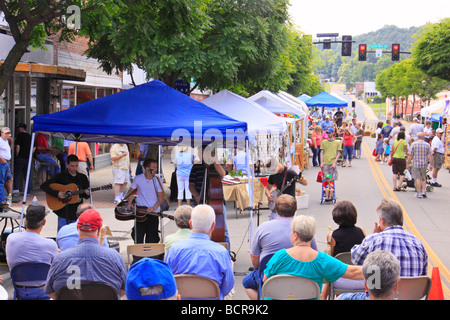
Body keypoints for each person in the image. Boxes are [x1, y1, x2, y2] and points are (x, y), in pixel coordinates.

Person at [262, 215, 363, 299]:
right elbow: (353, 272)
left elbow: (265, 280)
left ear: (295, 235)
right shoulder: (322, 260)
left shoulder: (280, 256)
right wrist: (377, 269)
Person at [242, 194, 318, 300]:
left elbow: (255, 260)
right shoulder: (303, 228)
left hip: (270, 277)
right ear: (295, 209)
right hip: (300, 274)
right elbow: (314, 254)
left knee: (246, 283)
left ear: (276, 210)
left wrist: (259, 268)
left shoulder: (263, 228)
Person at [44, 209, 127, 299]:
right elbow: (123, 290)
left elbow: (50, 292)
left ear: (77, 228)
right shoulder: (115, 257)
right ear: (99, 230)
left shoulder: (60, 259)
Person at [165, 204, 235, 300]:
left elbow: (167, 280)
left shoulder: (174, 249)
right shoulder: (221, 252)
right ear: (213, 226)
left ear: (190, 224)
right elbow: (227, 288)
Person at [351, 198, 428, 277]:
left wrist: (372, 235)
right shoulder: (418, 244)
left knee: (372, 277)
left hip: (380, 289)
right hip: (411, 289)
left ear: (382, 220)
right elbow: (423, 275)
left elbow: (356, 259)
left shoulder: (374, 240)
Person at [5, 203, 58, 300]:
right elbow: (56, 268)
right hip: (43, 292)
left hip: (20, 292)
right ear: (44, 222)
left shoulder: (11, 238)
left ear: (26, 220)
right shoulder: (50, 244)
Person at [321, 200, 366, 300]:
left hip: (341, 280)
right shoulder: (361, 232)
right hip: (361, 278)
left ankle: (324, 296)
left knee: (332, 268)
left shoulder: (332, 236)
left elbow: (331, 259)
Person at [189, 144, 231, 246]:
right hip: (200, 201)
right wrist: (196, 195)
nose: (201, 155)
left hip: (217, 201)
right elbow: (191, 185)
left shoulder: (216, 164)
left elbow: (222, 174)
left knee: (223, 230)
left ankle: (227, 253)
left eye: (203, 153)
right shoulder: (196, 167)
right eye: (200, 153)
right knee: (199, 229)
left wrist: (214, 159)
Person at [40, 154, 90, 231]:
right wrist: (57, 193)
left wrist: (87, 194)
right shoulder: (61, 176)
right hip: (63, 211)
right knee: (62, 233)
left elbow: (85, 196)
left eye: (76, 166)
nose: (74, 168)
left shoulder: (82, 177)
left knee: (75, 234)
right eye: (72, 166)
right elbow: (44, 186)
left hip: (76, 212)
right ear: (67, 164)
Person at [125, 158, 164, 244]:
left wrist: (153, 207)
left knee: (152, 238)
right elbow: (131, 192)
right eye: (153, 167)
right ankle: (137, 256)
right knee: (138, 236)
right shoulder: (138, 178)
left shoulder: (157, 180)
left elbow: (161, 197)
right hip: (140, 212)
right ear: (147, 168)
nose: (156, 169)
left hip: (153, 213)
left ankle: (150, 255)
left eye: (156, 167)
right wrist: (129, 203)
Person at [407, 132, 432, 198]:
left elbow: (410, 155)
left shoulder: (414, 144)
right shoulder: (427, 145)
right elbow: (430, 155)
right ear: (423, 137)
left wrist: (407, 163)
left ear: (418, 137)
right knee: (423, 178)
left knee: (417, 178)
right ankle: (424, 191)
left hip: (416, 164)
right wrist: (431, 164)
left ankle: (419, 193)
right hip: (424, 164)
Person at [13, 123, 33, 194]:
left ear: (21, 128)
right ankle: (28, 191)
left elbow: (18, 146)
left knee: (16, 173)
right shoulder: (30, 136)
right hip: (28, 157)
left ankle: (16, 189)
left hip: (21, 157)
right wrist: (30, 154)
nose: (18, 129)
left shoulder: (19, 136)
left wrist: (17, 155)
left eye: (18, 128)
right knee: (27, 174)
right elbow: (34, 147)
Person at [0, 127, 13, 204]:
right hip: (2, 162)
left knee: (9, 179)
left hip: (7, 162)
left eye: (8, 133)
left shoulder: (6, 141)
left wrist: (11, 142)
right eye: (5, 133)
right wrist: (1, 159)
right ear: (2, 133)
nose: (7, 135)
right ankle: (2, 200)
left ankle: (9, 196)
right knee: (1, 181)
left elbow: (8, 150)